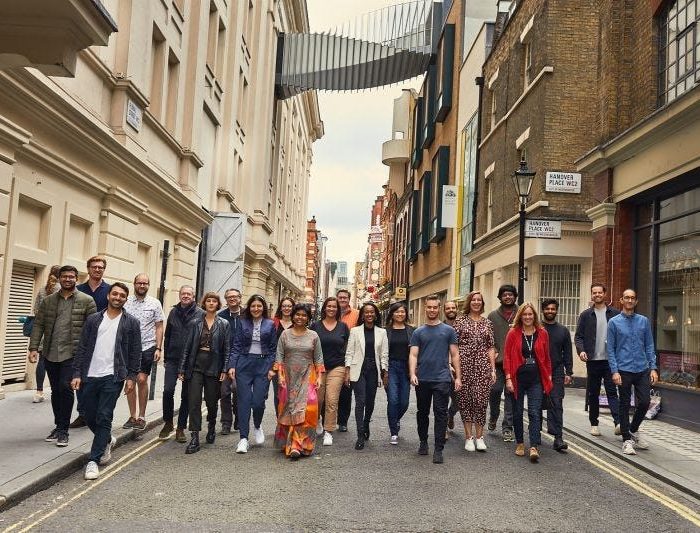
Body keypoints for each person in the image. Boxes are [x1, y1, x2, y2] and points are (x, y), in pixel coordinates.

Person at [71, 282, 141, 480]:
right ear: (109, 296)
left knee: (104, 415)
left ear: (126, 299)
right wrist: (76, 373)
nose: (118, 298)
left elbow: (135, 352)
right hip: (89, 374)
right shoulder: (94, 320)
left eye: (122, 296)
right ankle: (106, 439)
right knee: (87, 412)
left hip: (114, 375)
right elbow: (82, 347)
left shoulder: (131, 322)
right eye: (115, 294)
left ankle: (94, 459)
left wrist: (131, 377)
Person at [28, 265, 97, 446]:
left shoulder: (87, 301)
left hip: (73, 354)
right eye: (64, 276)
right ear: (59, 278)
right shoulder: (48, 301)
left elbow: (93, 330)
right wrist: (33, 348)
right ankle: (58, 426)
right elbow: (39, 325)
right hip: (51, 352)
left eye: (71, 277)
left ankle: (64, 431)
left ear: (76, 279)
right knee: (56, 391)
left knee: (65, 389)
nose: (68, 279)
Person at [409, 295, 461, 464]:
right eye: (429, 307)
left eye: (435, 307)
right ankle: (423, 442)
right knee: (422, 413)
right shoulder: (418, 332)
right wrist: (412, 374)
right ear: (425, 308)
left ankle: (439, 449)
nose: (432, 310)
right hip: (423, 378)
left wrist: (458, 377)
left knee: (441, 414)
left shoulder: (448, 331)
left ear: (439, 309)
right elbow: (413, 354)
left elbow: (454, 354)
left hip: (442, 379)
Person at [607, 289, 658, 455]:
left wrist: (653, 368)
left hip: (642, 368)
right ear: (622, 300)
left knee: (644, 402)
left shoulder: (643, 321)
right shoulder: (614, 323)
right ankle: (626, 441)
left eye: (632, 298)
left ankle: (633, 430)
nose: (629, 300)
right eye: (627, 298)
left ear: (636, 302)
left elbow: (649, 346)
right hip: (623, 369)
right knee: (624, 404)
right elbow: (611, 349)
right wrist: (614, 371)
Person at [178, 292, 230, 454]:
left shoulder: (224, 324)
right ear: (204, 303)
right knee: (193, 402)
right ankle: (194, 436)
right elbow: (187, 347)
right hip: (196, 366)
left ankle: (212, 424)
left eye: (214, 301)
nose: (211, 303)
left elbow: (227, 349)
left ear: (218, 304)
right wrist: (182, 369)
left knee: (211, 401)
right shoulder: (195, 323)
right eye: (208, 301)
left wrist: (224, 370)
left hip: (214, 366)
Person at [272, 304, 325, 459]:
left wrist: (320, 377)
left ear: (308, 318)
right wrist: (280, 375)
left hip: (308, 375)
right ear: (293, 316)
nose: (300, 318)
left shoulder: (313, 335)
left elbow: (319, 358)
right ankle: (288, 442)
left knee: (308, 408)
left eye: (303, 315)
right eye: (297, 314)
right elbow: (279, 355)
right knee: (288, 408)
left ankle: (299, 444)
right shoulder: (285, 335)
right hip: (288, 376)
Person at [228, 294, 277, 454]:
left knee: (258, 402)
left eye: (259, 306)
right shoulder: (242, 323)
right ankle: (243, 439)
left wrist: (271, 368)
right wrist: (232, 366)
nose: (256, 309)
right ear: (249, 308)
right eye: (253, 306)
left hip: (262, 365)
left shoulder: (270, 324)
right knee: (244, 401)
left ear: (263, 308)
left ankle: (257, 425)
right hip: (244, 363)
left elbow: (272, 349)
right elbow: (236, 346)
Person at [504, 303, 553, 462]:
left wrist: (549, 376)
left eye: (530, 314)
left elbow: (546, 358)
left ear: (535, 316)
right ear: (520, 316)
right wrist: (508, 378)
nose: (527, 317)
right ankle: (519, 443)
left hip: (536, 380)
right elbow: (507, 357)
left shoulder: (542, 333)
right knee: (517, 413)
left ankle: (533, 446)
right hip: (518, 379)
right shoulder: (513, 333)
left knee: (534, 412)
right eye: (524, 314)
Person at [574, 283, 620, 436]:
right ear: (591, 295)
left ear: (605, 294)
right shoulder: (586, 315)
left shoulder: (615, 314)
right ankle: (594, 424)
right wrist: (581, 351)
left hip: (610, 360)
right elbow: (579, 336)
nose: (597, 295)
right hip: (593, 360)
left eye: (600, 292)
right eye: (594, 293)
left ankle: (618, 423)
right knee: (593, 393)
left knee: (612, 391)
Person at [159, 285, 203, 442]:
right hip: (173, 358)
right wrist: (165, 357)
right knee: (167, 391)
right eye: (183, 293)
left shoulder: (200, 314)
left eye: (188, 294)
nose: (185, 296)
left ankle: (180, 428)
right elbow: (168, 336)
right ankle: (168, 422)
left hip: (191, 361)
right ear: (179, 295)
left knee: (186, 395)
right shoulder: (173, 312)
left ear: (193, 296)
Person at [454, 291, 496, 452]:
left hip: (482, 367)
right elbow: (454, 345)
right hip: (464, 366)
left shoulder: (488, 323)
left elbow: (490, 347)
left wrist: (492, 369)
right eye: (473, 300)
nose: (476, 302)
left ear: (482, 303)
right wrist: (454, 367)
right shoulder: (460, 321)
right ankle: (468, 437)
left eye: (479, 300)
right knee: (465, 401)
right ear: (469, 302)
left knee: (480, 401)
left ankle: (480, 437)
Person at [72, 256, 111, 428]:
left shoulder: (110, 290)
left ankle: (95, 412)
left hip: (103, 341)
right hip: (80, 341)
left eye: (100, 267)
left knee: (99, 378)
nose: (97, 269)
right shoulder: (78, 289)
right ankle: (83, 413)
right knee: (80, 377)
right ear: (88, 269)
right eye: (94, 267)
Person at [122, 274, 165, 430]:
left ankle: (142, 416)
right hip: (128, 348)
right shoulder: (125, 302)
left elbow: (159, 326)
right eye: (139, 283)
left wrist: (159, 348)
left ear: (148, 285)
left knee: (141, 379)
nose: (142, 285)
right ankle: (132, 416)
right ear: (134, 284)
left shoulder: (155, 303)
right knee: (131, 381)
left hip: (148, 346)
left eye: (145, 283)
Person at [344, 302, 388, 450]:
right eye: (366, 312)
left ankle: (366, 422)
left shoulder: (382, 332)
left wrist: (384, 371)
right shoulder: (355, 331)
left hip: (373, 371)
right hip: (359, 370)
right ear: (362, 315)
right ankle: (360, 435)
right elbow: (349, 352)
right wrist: (347, 371)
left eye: (372, 312)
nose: (369, 314)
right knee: (360, 402)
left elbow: (384, 354)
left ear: (375, 315)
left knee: (370, 402)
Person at [310, 296, 349, 446]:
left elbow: (347, 349)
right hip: (318, 367)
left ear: (337, 309)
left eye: (334, 307)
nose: (331, 309)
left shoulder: (343, 327)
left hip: (337, 366)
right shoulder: (315, 326)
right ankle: (318, 420)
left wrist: (347, 369)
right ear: (324, 308)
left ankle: (329, 431)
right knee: (318, 400)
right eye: (329, 306)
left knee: (332, 400)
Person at [541, 298, 573, 452]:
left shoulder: (563, 330)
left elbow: (567, 352)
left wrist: (569, 371)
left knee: (557, 403)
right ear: (543, 310)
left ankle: (558, 437)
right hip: (538, 371)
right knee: (537, 404)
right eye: (547, 309)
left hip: (557, 371)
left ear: (556, 311)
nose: (550, 311)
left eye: (553, 309)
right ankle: (536, 434)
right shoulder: (537, 328)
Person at [487, 284, 518, 442]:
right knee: (494, 390)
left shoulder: (521, 313)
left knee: (511, 394)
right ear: (500, 297)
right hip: (498, 364)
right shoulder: (492, 316)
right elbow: (488, 338)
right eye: (505, 295)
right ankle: (493, 415)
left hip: (516, 364)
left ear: (515, 296)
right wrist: (494, 349)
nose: (508, 297)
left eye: (510, 295)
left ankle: (507, 427)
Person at [385, 301, 414, 444]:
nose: (400, 314)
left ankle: (395, 420)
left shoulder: (411, 330)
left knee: (404, 402)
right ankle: (394, 432)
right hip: (391, 367)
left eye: (402, 312)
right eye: (397, 311)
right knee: (393, 400)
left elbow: (415, 352)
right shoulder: (386, 331)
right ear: (392, 313)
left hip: (406, 368)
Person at [30, 265, 60, 403]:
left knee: (42, 361)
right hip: (57, 331)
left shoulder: (43, 289)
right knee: (59, 361)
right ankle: (57, 390)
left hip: (43, 331)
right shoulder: (61, 290)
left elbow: (36, 310)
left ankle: (39, 391)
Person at [218, 288, 242, 434]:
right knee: (224, 392)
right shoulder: (221, 316)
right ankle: (226, 422)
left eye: (235, 297)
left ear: (240, 298)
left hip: (242, 359)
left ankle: (239, 417)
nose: (232, 299)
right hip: (225, 359)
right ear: (226, 300)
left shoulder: (247, 315)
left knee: (238, 391)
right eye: (229, 297)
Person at [336, 289, 359, 432]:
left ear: (349, 299)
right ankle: (328, 418)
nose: (342, 299)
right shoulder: (331, 312)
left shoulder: (356, 314)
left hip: (350, 356)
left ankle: (343, 421)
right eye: (340, 297)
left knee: (346, 390)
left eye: (345, 297)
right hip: (332, 355)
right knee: (330, 391)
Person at [271, 297, 295, 417]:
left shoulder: (298, 323)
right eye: (284, 306)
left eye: (289, 306)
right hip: (277, 363)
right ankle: (280, 420)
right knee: (278, 394)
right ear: (280, 308)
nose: (287, 308)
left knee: (292, 393)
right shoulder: (273, 323)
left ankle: (291, 421)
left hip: (294, 364)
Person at [443, 300, 460, 435]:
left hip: (460, 367)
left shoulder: (462, 326)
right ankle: (443, 428)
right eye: (448, 308)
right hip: (443, 367)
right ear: (444, 311)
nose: (451, 310)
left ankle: (450, 414)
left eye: (453, 307)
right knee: (443, 398)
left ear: (457, 309)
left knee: (458, 400)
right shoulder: (440, 327)